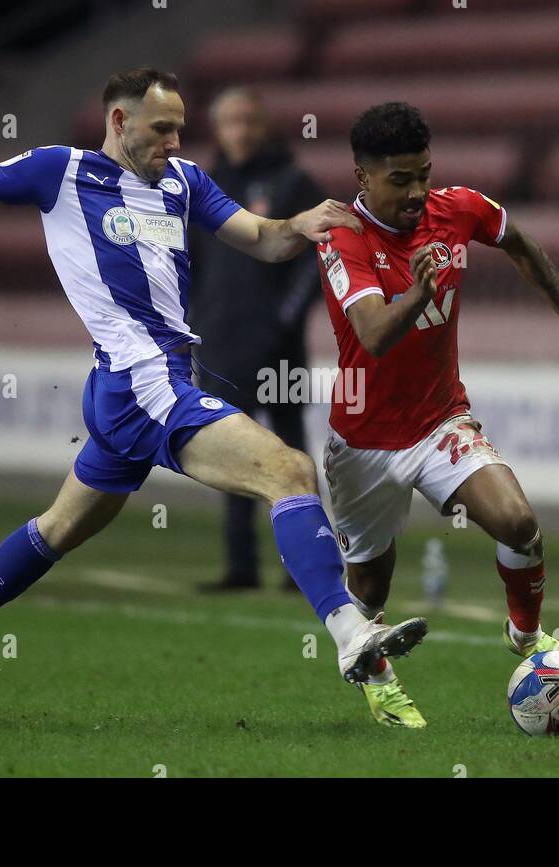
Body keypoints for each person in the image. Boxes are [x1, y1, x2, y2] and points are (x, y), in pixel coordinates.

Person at [0, 67, 429, 720]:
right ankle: (350, 635)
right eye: (161, 128)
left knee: (57, 528)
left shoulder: (185, 181)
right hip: (137, 380)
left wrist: (302, 222)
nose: (175, 140)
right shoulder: (60, 171)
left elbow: (261, 238)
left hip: (144, 385)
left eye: (179, 127)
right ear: (119, 121)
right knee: (288, 468)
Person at [314, 103, 559, 727]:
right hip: (362, 444)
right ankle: (382, 687)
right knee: (370, 590)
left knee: (519, 523)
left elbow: (519, 242)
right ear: (362, 176)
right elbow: (373, 334)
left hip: (440, 421)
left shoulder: (457, 207)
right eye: (400, 179)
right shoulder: (342, 239)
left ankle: (526, 637)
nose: (418, 192)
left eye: (425, 174)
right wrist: (419, 292)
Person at [188, 88, 325, 594]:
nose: (240, 131)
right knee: (233, 454)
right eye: (231, 122)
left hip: (279, 348)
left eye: (249, 120)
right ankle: (240, 567)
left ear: (263, 125)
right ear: (218, 129)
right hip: (221, 342)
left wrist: (283, 318)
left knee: (292, 453)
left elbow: (318, 257)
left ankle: (304, 569)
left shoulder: (293, 181)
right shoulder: (204, 185)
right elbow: (191, 261)